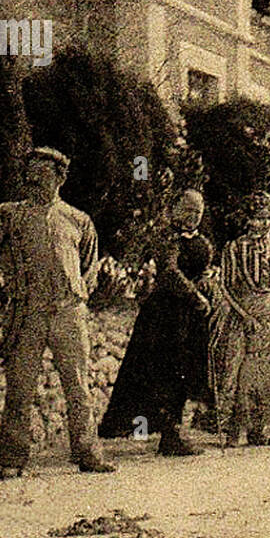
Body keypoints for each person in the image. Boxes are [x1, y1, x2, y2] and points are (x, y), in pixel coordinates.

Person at [0, 147, 115, 478]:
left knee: (78, 388)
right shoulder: (9, 215)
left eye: (42, 174)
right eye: (30, 174)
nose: (33, 180)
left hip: (68, 314)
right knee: (20, 388)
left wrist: (77, 296)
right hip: (26, 314)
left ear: (60, 178)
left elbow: (89, 266)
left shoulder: (78, 219)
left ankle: (88, 454)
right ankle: (12, 460)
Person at [99, 190, 213, 455]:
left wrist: (206, 283)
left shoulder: (200, 239)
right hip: (166, 314)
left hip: (191, 315)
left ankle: (174, 431)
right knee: (165, 371)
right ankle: (169, 434)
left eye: (197, 211)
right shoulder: (167, 237)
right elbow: (169, 272)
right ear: (174, 209)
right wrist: (194, 294)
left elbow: (202, 268)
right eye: (186, 209)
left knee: (184, 370)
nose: (192, 216)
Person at [208, 191, 270, 447]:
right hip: (240, 313)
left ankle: (258, 428)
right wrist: (243, 315)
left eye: (269, 218)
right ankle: (232, 429)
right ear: (248, 220)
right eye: (258, 218)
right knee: (234, 370)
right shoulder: (234, 248)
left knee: (262, 372)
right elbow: (225, 286)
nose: (265, 224)